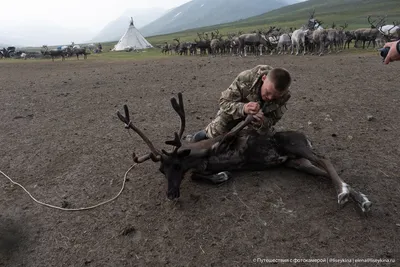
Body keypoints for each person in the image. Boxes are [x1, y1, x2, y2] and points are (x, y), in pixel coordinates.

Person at [187, 65, 292, 142]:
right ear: (264, 78)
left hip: (256, 121)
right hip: (237, 109)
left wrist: (262, 122)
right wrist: (244, 108)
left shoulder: (285, 96)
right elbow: (224, 101)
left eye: (275, 96)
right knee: (215, 133)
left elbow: (273, 121)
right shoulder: (246, 78)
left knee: (260, 142)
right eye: (268, 92)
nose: (269, 98)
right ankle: (203, 134)